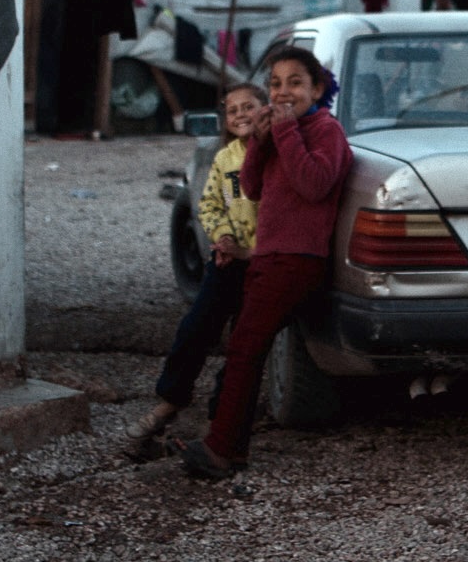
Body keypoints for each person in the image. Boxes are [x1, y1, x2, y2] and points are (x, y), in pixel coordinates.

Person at [181, 46, 351, 481]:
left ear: (316, 88)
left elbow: (314, 184)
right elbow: (253, 189)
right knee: (245, 346)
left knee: (245, 347)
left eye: (295, 82)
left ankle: (222, 449)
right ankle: (229, 447)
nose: (283, 91)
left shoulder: (326, 130)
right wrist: (258, 141)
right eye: (275, 83)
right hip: (270, 256)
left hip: (296, 259)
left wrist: (288, 133)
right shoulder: (279, 132)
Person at [123, 84, 266, 458]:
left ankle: (222, 419)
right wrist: (221, 239)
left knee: (242, 346)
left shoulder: (275, 156)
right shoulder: (224, 158)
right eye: (232, 110)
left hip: (263, 264)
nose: (239, 115)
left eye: (248, 107)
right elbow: (210, 205)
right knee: (195, 327)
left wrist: (250, 250)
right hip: (226, 260)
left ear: (265, 111)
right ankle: (171, 400)